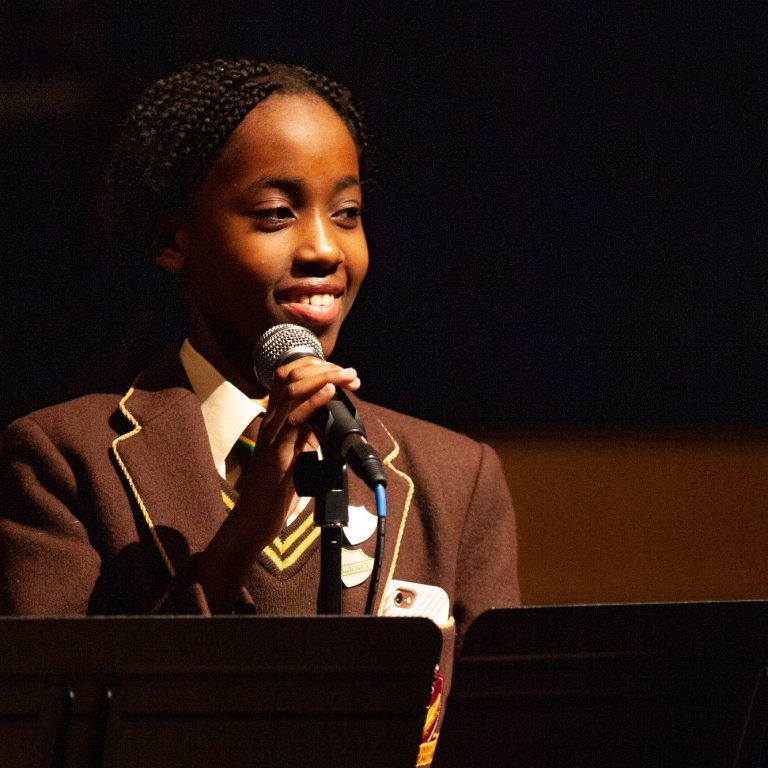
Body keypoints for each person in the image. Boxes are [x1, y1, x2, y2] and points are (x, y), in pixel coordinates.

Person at [0, 58, 519, 764]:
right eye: (276, 214)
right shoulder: (62, 457)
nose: (323, 248)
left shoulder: (456, 477)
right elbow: (50, 743)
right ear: (173, 240)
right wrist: (250, 519)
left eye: (347, 214)